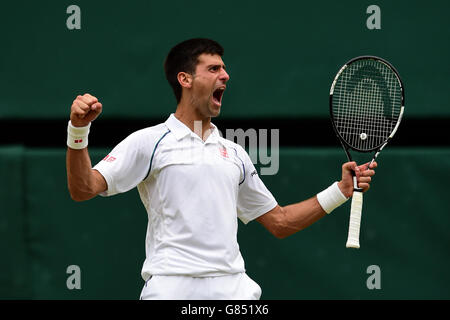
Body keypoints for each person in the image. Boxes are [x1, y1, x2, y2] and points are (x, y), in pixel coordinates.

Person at [66, 38, 377, 300]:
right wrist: (78, 132)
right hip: (172, 288)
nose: (225, 75)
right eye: (213, 69)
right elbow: (83, 189)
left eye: (225, 68)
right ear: (185, 79)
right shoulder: (149, 142)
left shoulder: (236, 154)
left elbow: (280, 222)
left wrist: (341, 190)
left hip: (234, 291)